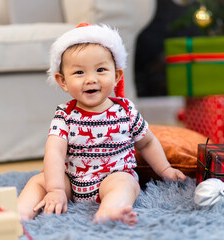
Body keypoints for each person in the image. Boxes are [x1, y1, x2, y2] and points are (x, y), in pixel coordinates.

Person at [17, 23, 186, 226]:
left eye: (100, 70)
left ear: (116, 76)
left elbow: (147, 143)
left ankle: (110, 211)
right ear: (62, 81)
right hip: (73, 181)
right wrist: (56, 189)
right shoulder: (65, 115)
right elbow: (54, 153)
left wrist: (165, 169)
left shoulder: (126, 110)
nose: (90, 79)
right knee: (38, 180)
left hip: (112, 177)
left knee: (126, 183)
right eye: (79, 73)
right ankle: (18, 214)